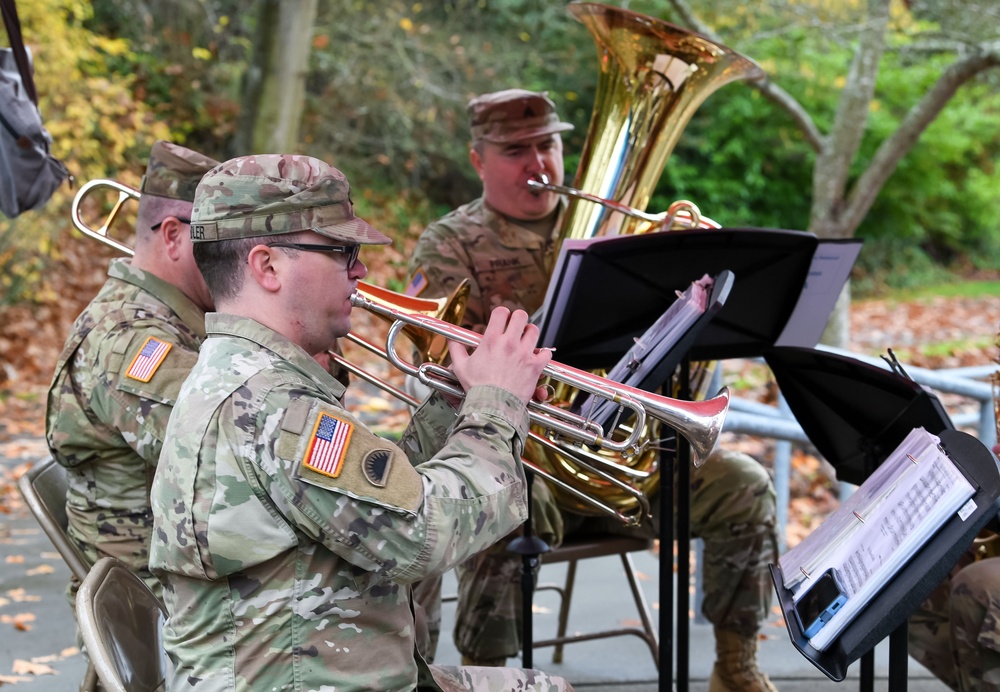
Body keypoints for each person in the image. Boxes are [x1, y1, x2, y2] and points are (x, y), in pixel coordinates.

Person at [148, 153, 574, 692]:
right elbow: (427, 534)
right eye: (340, 251)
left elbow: (384, 498)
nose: (360, 270)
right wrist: (495, 405)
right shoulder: (275, 407)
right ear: (267, 266)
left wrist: (455, 402)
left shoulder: (247, 373)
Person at [406, 88, 779, 692]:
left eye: (548, 144)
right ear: (479, 160)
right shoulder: (451, 243)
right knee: (500, 500)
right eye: (515, 150)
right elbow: (449, 358)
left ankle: (735, 665)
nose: (539, 163)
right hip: (532, 462)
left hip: (626, 464)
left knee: (746, 485)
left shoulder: (624, 233)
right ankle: (490, 677)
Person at [45, 140, 220, 607]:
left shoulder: (170, 319)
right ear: (173, 235)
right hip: (159, 599)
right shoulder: (132, 338)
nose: (243, 260)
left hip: (183, 571)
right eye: (226, 243)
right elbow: (237, 459)